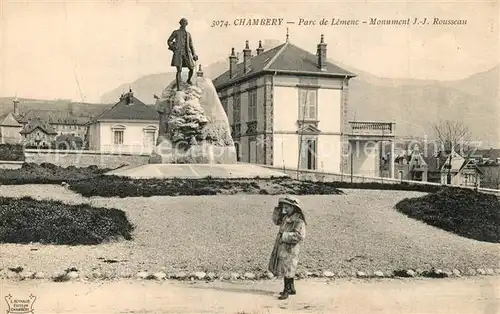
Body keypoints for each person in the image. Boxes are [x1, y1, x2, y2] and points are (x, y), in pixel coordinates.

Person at [268, 195, 307, 300]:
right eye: (284, 206)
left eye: (288, 207)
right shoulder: (286, 217)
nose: (285, 209)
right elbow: (276, 221)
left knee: (288, 268)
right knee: (288, 267)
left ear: (294, 207)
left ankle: (286, 290)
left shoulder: (298, 221)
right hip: (284, 246)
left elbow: (299, 236)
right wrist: (278, 210)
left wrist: (284, 236)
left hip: (291, 248)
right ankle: (291, 288)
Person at [167, 18, 198, 90]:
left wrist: (194, 54)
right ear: (180, 23)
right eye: (183, 23)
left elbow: (191, 45)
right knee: (179, 70)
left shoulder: (188, 34)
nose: (184, 24)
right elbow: (169, 40)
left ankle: (188, 80)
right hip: (178, 54)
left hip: (186, 54)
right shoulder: (176, 32)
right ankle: (178, 88)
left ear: (186, 24)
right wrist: (173, 47)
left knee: (191, 68)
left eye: (185, 23)